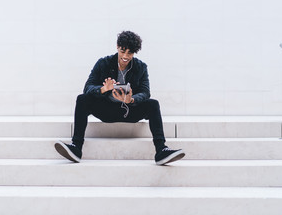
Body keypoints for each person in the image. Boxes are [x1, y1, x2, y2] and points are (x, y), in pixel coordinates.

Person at [54, 31, 185, 165]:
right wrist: (104, 89)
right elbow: (88, 87)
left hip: (128, 111)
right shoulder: (103, 63)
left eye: (130, 53)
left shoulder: (141, 67)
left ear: (134, 53)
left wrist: (131, 100)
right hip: (106, 110)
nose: (125, 56)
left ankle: (161, 150)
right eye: (123, 51)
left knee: (153, 104)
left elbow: (145, 92)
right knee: (82, 99)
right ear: (117, 47)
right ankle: (76, 147)